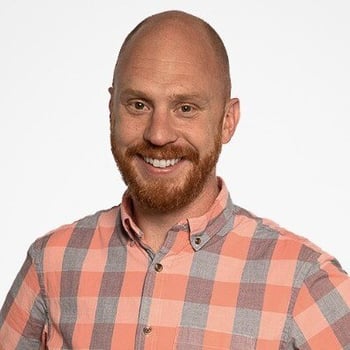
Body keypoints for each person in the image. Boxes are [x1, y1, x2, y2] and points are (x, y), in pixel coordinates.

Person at [0, 9, 349, 350]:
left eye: (186, 108)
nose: (159, 134)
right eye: (138, 105)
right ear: (111, 111)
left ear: (228, 120)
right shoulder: (51, 263)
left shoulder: (304, 282)